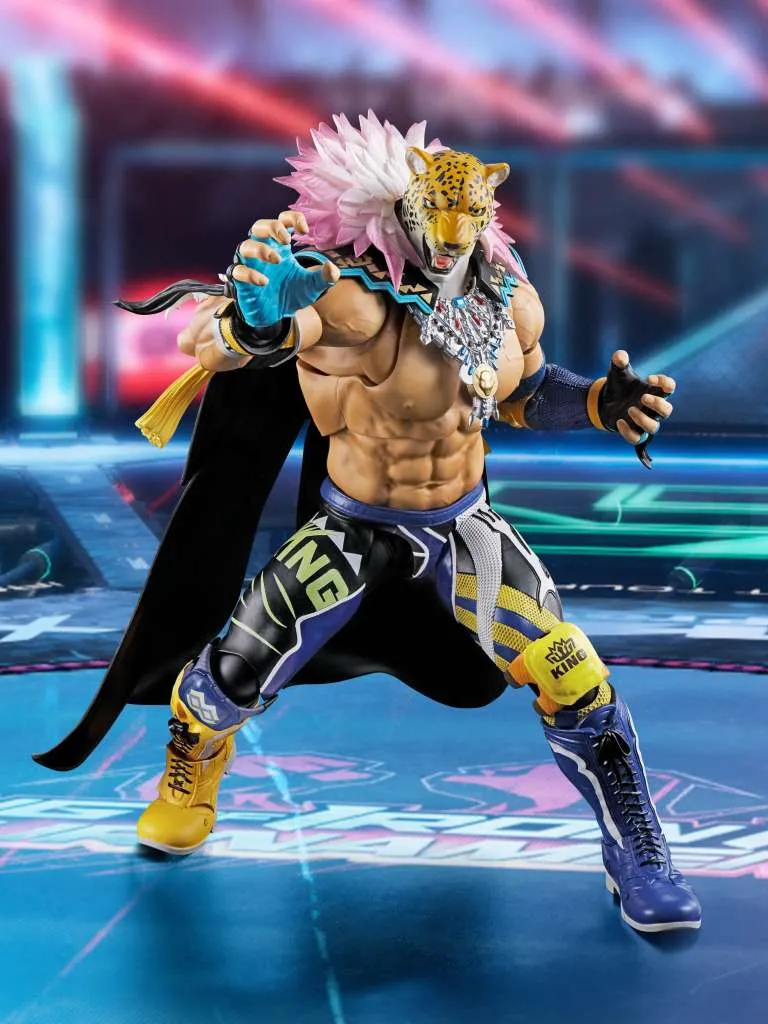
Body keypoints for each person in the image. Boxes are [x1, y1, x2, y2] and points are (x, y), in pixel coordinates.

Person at [36, 113, 700, 934]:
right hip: (353, 530)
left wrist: (600, 402)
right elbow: (248, 339)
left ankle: (638, 849)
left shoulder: (508, 298)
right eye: (435, 221)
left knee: (572, 674)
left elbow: (526, 392)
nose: (451, 241)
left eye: (468, 220)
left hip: (463, 527)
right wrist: (258, 316)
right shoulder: (355, 298)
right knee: (227, 679)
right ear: (402, 214)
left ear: (487, 212)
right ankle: (191, 773)